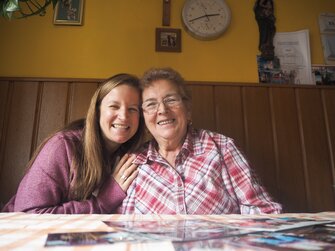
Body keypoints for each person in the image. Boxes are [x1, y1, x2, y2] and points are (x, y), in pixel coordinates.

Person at [117, 67, 282, 214]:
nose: (162, 110)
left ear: (188, 110)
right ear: (143, 118)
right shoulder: (134, 161)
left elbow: (261, 211)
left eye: (171, 100)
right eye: (151, 105)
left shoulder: (222, 148)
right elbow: (123, 223)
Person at [2, 73, 145, 214]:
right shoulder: (62, 146)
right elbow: (28, 213)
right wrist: (103, 203)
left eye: (133, 109)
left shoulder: (132, 156)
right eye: (114, 106)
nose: (124, 116)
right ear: (97, 111)